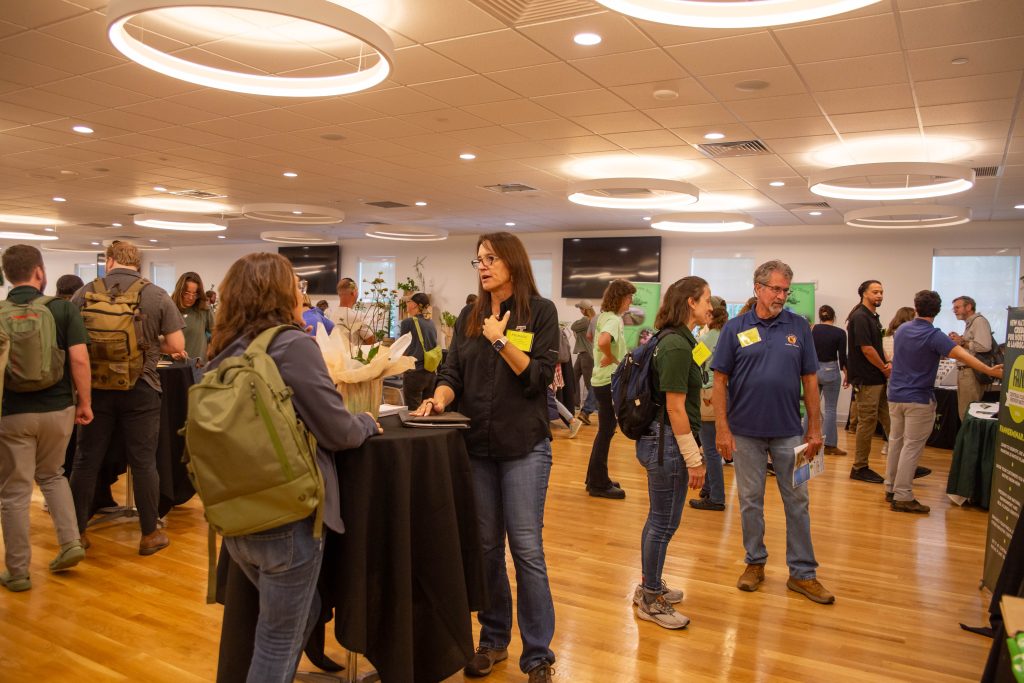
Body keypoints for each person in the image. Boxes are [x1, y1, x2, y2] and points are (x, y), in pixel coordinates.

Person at [206, 252, 380, 683]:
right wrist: (366, 422)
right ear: (282, 292)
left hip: (234, 516)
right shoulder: (291, 344)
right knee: (276, 643)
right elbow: (338, 430)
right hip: (287, 515)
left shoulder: (220, 350)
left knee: (298, 616)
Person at [413, 232, 558, 682]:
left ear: (512, 262)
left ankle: (537, 655)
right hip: (477, 448)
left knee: (527, 550)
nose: (483, 265)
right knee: (488, 550)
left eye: (491, 258)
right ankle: (493, 639)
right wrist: (439, 398)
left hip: (524, 447)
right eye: (478, 259)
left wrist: (501, 340)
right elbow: (451, 371)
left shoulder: (541, 312)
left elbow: (537, 379)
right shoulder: (470, 315)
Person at [713, 260, 834, 605]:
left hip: (789, 433)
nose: (782, 296)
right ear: (758, 289)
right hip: (745, 433)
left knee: (797, 502)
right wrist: (722, 428)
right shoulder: (735, 327)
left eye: (786, 290)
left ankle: (803, 573)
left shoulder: (798, 327)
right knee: (750, 502)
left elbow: (810, 379)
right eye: (776, 289)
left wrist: (815, 428)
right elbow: (719, 380)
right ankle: (754, 563)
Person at [70, 240, 185, 556]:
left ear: (109, 261)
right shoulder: (155, 294)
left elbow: (71, 343)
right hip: (141, 387)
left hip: (95, 389)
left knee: (85, 460)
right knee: (144, 461)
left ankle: (77, 533)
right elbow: (177, 344)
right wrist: (149, 344)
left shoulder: (84, 293)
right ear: (140, 264)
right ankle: (149, 534)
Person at [0, 246, 92, 592]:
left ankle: (18, 571)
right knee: (53, 475)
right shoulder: (62, 309)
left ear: (8, 275)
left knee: (15, 492)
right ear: (39, 272)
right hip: (58, 409)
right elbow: (80, 361)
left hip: (12, 414)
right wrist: (85, 402)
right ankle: (70, 542)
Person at [632, 277, 710, 629]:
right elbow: (676, 409)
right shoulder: (677, 346)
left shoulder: (677, 340)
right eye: (707, 299)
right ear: (691, 303)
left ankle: (650, 584)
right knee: (663, 523)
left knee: (660, 520)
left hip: (662, 440)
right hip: (667, 443)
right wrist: (695, 459)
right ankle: (650, 597)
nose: (711, 305)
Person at [886, 290, 1002, 515]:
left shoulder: (902, 330)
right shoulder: (934, 335)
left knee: (896, 443)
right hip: (918, 399)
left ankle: (891, 488)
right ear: (937, 311)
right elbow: (964, 356)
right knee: (911, 447)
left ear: (916, 307)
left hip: (895, 396)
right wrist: (989, 370)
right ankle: (902, 495)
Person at [585, 279, 636, 500]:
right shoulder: (613, 320)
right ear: (621, 298)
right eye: (629, 298)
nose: (630, 302)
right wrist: (609, 355)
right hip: (608, 381)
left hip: (601, 380)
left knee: (604, 432)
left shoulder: (603, 317)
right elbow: (603, 340)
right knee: (606, 432)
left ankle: (596, 477)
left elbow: (594, 338)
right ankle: (598, 483)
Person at [846, 280, 889, 484]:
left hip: (877, 377)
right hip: (868, 378)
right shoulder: (860, 317)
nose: (879, 295)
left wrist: (886, 365)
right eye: (875, 292)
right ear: (864, 293)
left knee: (889, 419)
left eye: (881, 292)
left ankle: (904, 463)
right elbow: (867, 349)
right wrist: (884, 367)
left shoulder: (872, 316)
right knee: (867, 421)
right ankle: (859, 467)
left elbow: (876, 347)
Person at [691, 296, 729, 511]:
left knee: (710, 450)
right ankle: (708, 488)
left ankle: (716, 496)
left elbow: (692, 365)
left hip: (708, 397)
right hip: (727, 395)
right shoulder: (728, 336)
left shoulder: (705, 341)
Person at [811, 305, 848, 456]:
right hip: (831, 370)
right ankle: (830, 445)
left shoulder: (812, 329)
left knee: (810, 407)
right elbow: (843, 357)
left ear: (820, 317)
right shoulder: (840, 333)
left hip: (813, 370)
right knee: (830, 408)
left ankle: (805, 441)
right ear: (834, 317)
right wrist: (847, 374)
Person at [950, 295, 994, 419]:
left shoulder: (979, 321)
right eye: (954, 308)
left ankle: (969, 438)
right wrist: (960, 340)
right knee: (964, 412)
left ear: (969, 307)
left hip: (971, 372)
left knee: (967, 414)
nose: (955, 310)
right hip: (966, 372)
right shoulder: (971, 323)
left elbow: (985, 346)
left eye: (957, 307)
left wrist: (962, 342)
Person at [399, 292, 438, 410]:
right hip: (430, 373)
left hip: (414, 373)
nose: (407, 304)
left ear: (415, 305)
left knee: (413, 411)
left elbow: (402, 347)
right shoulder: (431, 323)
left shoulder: (408, 323)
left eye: (409, 301)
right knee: (426, 410)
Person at [172, 271, 214, 364]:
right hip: (172, 367)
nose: (191, 298)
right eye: (187, 293)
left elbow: (216, 334)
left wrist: (209, 352)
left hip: (197, 368)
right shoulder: (169, 309)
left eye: (195, 294)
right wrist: (169, 352)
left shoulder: (204, 310)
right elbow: (156, 340)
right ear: (180, 291)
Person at [330, 277, 375, 352]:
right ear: (354, 293)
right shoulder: (355, 316)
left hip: (337, 358)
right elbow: (371, 342)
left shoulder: (332, 314)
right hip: (354, 361)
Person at [570, 300, 597, 424]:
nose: (580, 310)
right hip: (583, 354)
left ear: (585, 309)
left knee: (589, 384)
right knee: (573, 379)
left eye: (581, 308)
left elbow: (573, 327)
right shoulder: (590, 320)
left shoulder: (586, 320)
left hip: (587, 355)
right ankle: (574, 405)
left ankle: (588, 410)